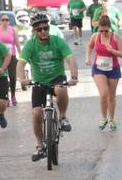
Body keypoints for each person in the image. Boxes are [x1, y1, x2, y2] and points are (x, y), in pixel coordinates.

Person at [18, 13, 79, 163]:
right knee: (36, 113)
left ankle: (63, 117)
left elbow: (70, 59)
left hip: (57, 78)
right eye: (39, 30)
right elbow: (21, 63)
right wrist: (22, 79)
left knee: (60, 89)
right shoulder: (31, 44)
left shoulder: (57, 41)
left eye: (45, 28)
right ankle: (40, 146)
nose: (43, 31)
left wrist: (74, 77)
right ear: (34, 31)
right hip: (39, 82)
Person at [86, 13, 122, 130]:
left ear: (110, 28)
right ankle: (104, 118)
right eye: (101, 31)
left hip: (113, 69)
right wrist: (88, 58)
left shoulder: (116, 37)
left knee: (111, 96)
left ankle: (112, 119)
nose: (103, 33)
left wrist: (112, 50)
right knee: (103, 93)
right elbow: (89, 46)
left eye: (106, 31)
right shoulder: (95, 36)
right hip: (99, 68)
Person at [0, 13, 20, 105]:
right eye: (3, 20)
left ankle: (13, 95)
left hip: (11, 56)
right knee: (3, 77)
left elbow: (17, 43)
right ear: (0, 21)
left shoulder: (12, 30)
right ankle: (6, 97)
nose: (5, 21)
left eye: (7, 20)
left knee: (12, 76)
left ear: (9, 21)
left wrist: (21, 55)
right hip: (1, 57)